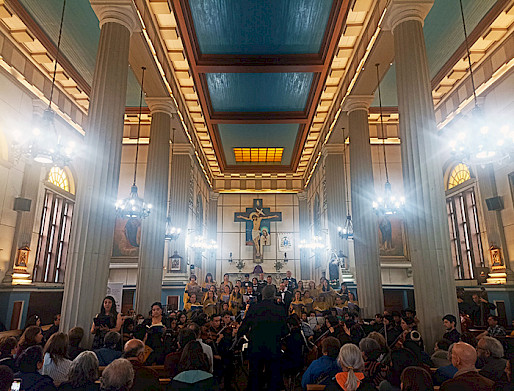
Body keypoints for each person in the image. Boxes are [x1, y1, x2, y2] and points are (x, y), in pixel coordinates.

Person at [237, 284, 288, 391]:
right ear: (274, 295)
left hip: (256, 346)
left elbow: (243, 328)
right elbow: (285, 331)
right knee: (273, 377)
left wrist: (240, 336)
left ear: (262, 295)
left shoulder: (254, 307)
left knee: (255, 376)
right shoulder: (280, 309)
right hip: (273, 347)